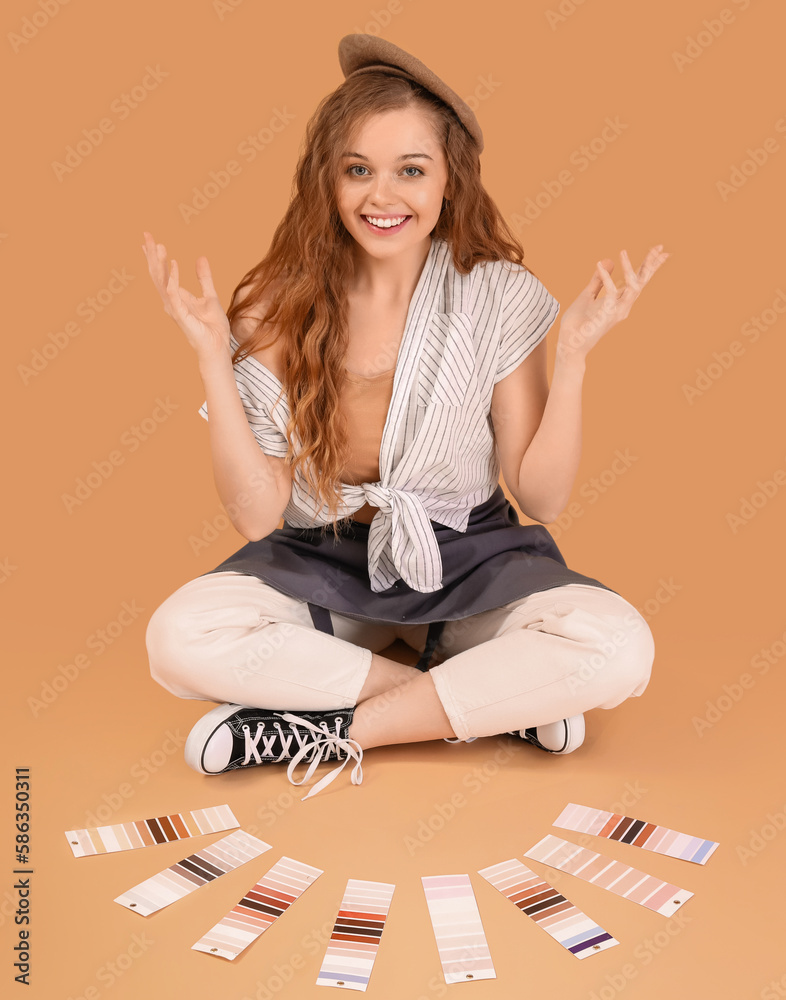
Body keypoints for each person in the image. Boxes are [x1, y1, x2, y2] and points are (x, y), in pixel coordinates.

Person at [142, 35, 668, 800]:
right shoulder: (275, 306)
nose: (381, 197)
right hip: (321, 559)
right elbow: (256, 514)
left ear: (450, 181)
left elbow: (543, 497)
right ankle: (492, 704)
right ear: (327, 179)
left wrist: (578, 355)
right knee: (177, 638)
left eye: (410, 171)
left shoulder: (498, 295)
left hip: (468, 554)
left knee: (620, 647)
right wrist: (207, 360)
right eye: (358, 169)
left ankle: (332, 729)